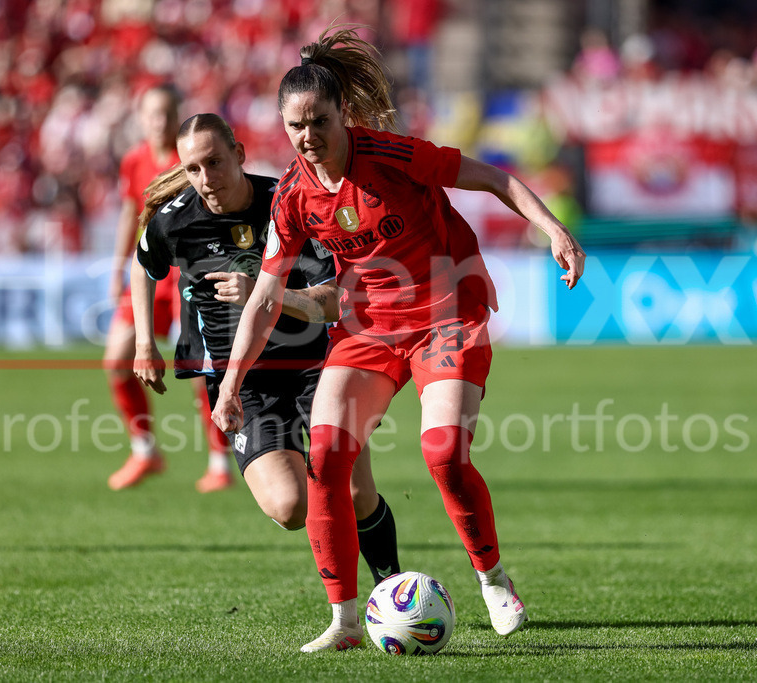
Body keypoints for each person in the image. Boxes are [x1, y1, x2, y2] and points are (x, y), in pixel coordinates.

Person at [211, 27, 586, 653]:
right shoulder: (293, 198)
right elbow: (265, 297)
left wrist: (553, 231)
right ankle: (345, 621)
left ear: (342, 115)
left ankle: (492, 578)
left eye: (319, 121)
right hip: (368, 329)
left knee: (442, 454)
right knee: (326, 455)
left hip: (446, 315)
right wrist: (229, 385)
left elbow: (493, 177)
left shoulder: (391, 155)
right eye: (295, 126)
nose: (308, 137)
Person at [131, 112, 401, 588]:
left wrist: (266, 292)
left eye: (215, 162)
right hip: (243, 383)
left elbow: (333, 299)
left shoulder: (293, 203)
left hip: (318, 366)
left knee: (356, 490)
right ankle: (332, 525)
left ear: (239, 154)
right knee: (291, 506)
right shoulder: (174, 220)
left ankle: (391, 589)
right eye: (193, 168)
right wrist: (142, 340)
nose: (205, 179)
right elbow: (144, 264)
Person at [104, 85, 233, 492]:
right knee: (117, 361)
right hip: (147, 272)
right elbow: (130, 213)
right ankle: (145, 451)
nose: (159, 121)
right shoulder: (134, 160)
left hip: (184, 275)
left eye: (166, 113)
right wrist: (118, 265)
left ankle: (219, 462)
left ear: (177, 114)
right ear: (140, 118)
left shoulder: (190, 161)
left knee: (199, 371)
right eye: (152, 114)